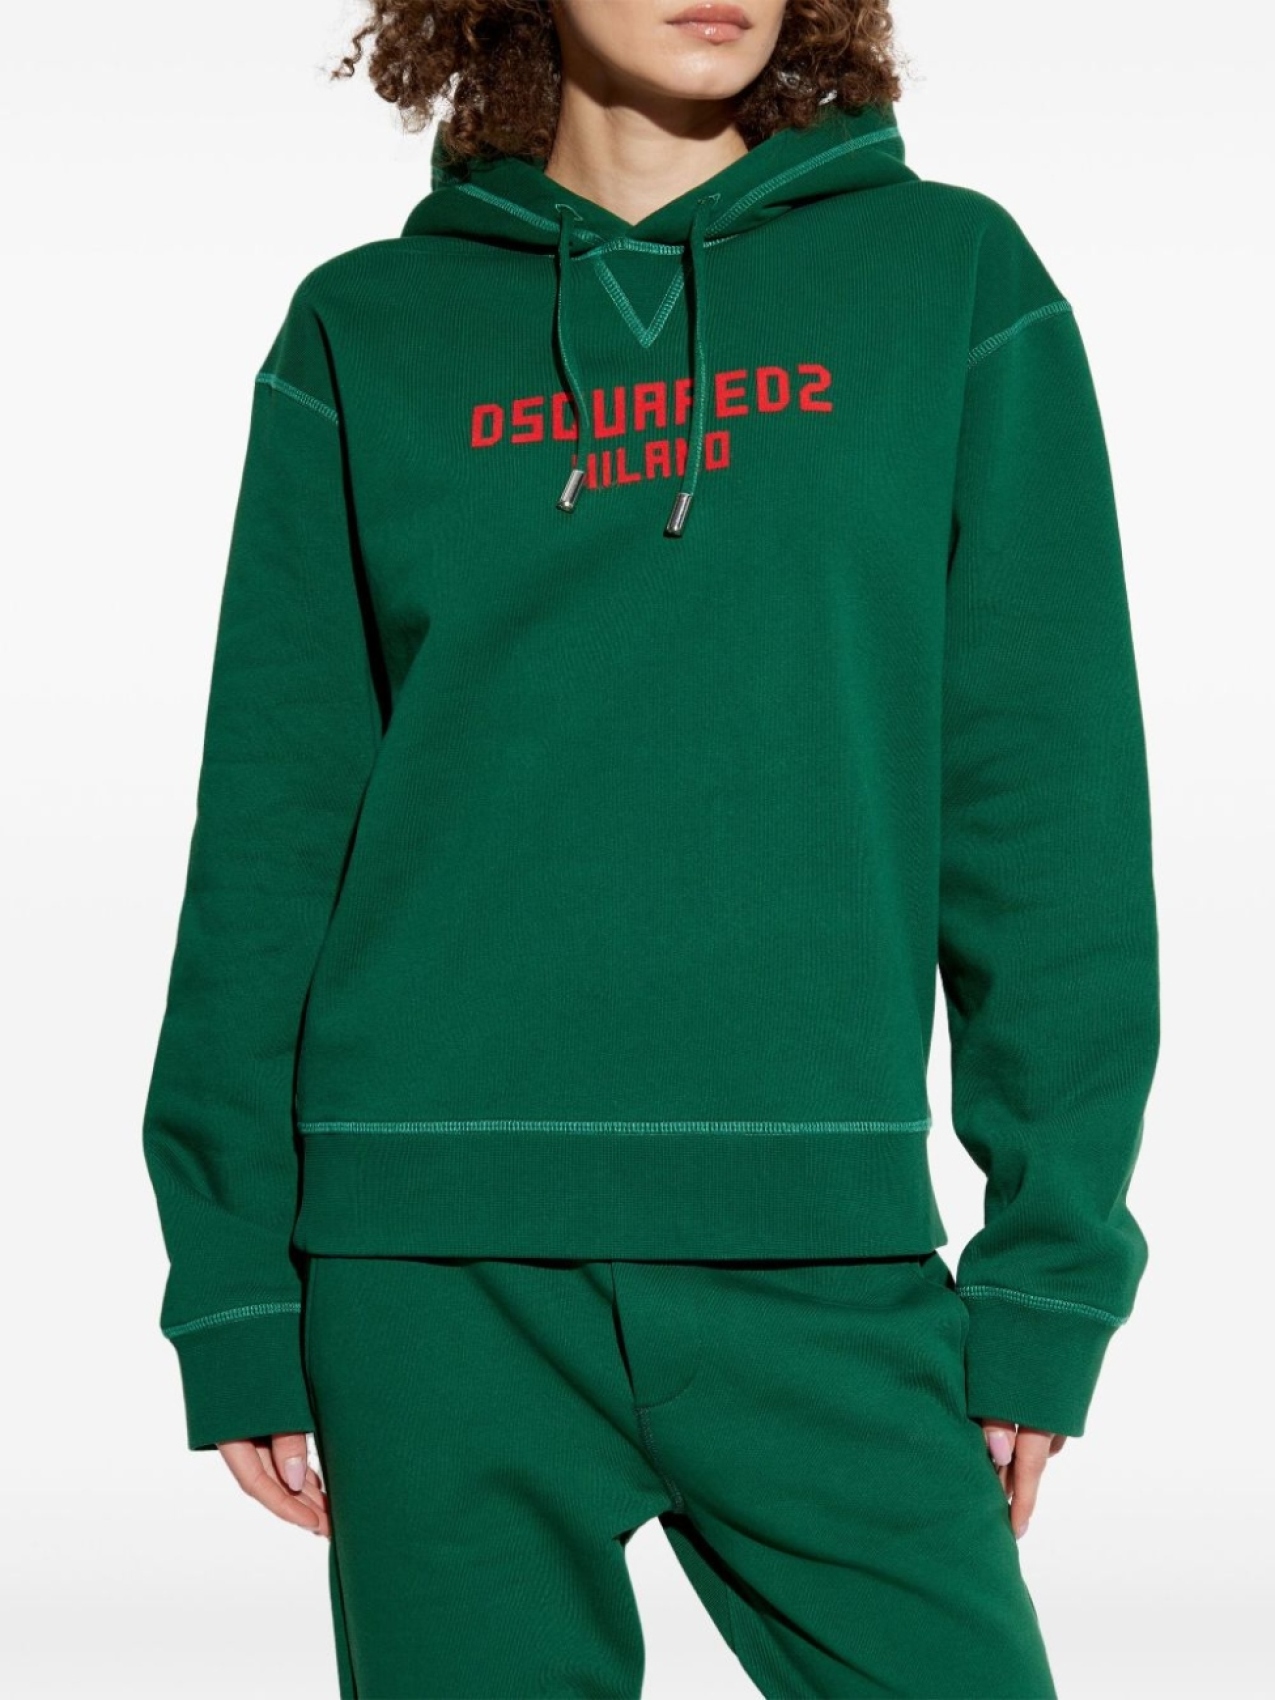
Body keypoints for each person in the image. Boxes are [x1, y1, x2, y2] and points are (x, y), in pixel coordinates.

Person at [140, 1, 1160, 1694]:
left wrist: (1052, 1275)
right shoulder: (364, 330)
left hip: (826, 1263)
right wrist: (233, 1281)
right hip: (430, 1279)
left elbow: (1046, 812)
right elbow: (269, 830)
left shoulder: (950, 284)